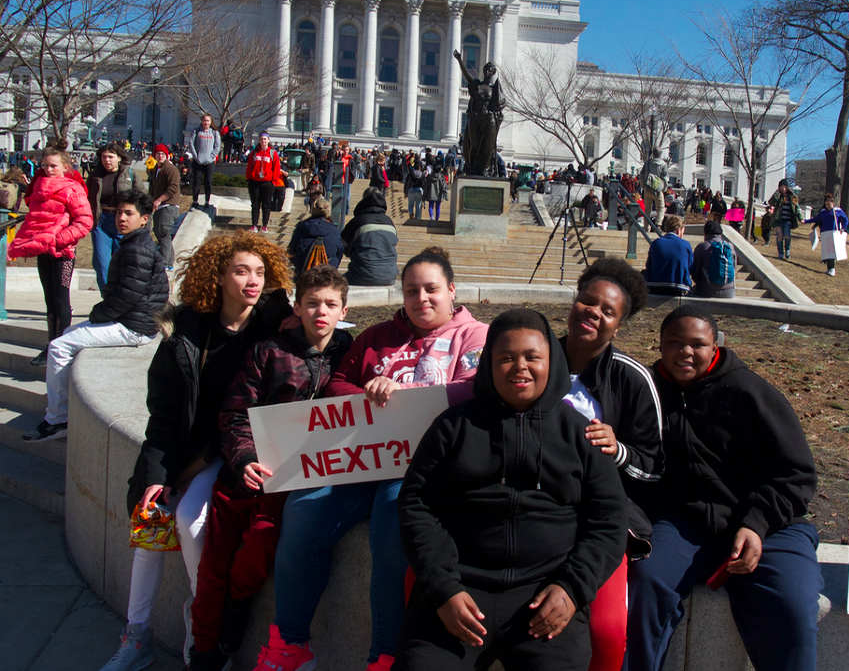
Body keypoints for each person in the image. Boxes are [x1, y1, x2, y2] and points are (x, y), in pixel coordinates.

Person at [254, 248, 489, 671]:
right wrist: (366, 396)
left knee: (391, 529)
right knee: (303, 513)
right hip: (361, 458)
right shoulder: (376, 336)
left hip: (424, 465)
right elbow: (337, 385)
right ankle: (289, 646)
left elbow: (470, 390)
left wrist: (401, 398)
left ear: (451, 291)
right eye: (411, 291)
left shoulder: (474, 336)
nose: (422, 299)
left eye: (431, 289)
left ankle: (385, 654)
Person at [98, 233, 293, 671]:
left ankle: (199, 622)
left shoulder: (274, 325)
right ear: (218, 277)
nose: (253, 281)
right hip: (189, 447)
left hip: (233, 451)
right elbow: (164, 411)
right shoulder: (186, 331)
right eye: (241, 271)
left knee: (191, 521)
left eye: (260, 272)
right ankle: (137, 635)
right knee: (152, 525)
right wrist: (157, 474)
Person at [393, 308, 628, 671]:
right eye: (506, 357)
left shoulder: (581, 434)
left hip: (546, 597)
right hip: (460, 594)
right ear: (488, 364)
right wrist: (443, 589)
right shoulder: (453, 427)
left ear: (552, 362)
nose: (520, 367)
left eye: (533, 357)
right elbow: (417, 506)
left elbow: (608, 520)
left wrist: (572, 589)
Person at [627, 306, 822, 671]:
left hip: (768, 522)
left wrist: (756, 522)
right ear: (660, 344)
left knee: (791, 604)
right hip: (684, 521)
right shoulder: (646, 390)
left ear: (715, 345)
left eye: (697, 344)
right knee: (643, 582)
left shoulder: (749, 391)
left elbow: (797, 472)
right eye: (675, 343)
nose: (686, 352)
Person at [185, 266, 354, 671]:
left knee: (257, 553)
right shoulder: (269, 351)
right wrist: (243, 458)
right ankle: (204, 652)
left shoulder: (346, 351)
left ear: (343, 310)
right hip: (243, 474)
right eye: (312, 303)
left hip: (291, 479)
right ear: (298, 306)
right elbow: (235, 414)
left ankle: (237, 605)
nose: (321, 312)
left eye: (331, 305)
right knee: (213, 567)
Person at [560, 261, 664, 671]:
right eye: (588, 301)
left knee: (605, 631)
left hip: (599, 518)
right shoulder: (534, 355)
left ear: (619, 325)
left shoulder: (633, 378)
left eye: (608, 311)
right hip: (530, 507)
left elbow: (655, 467)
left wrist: (617, 449)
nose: (593, 312)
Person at [23, 190, 168, 443]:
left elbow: (128, 297)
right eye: (118, 212)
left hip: (135, 327)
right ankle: (63, 410)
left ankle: (57, 420)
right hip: (132, 319)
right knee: (67, 335)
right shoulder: (134, 243)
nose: (121, 218)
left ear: (144, 219)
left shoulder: (138, 250)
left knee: (57, 347)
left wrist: (97, 314)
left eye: (128, 213)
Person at [7, 141, 94, 367]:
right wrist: (27, 243)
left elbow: (84, 222)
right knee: (49, 300)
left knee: (60, 298)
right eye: (45, 165)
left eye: (54, 166)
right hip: (42, 250)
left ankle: (60, 346)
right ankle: (51, 344)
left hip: (62, 252)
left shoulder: (73, 188)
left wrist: (57, 240)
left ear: (66, 167)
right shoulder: (39, 187)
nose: (48, 170)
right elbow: (35, 220)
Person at [86, 142, 143, 295]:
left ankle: (123, 297)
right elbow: (86, 198)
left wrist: (142, 221)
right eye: (104, 157)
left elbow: (143, 198)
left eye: (110, 156)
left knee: (125, 261)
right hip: (101, 222)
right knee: (101, 262)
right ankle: (108, 298)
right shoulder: (95, 176)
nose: (107, 160)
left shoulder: (130, 174)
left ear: (119, 157)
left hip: (123, 222)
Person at [454, 51, 506, 177]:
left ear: (493, 72)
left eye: (490, 69)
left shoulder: (495, 89)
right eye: (486, 69)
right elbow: (466, 75)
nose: (488, 71)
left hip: (489, 120)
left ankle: (485, 170)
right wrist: (460, 60)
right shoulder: (476, 84)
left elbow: (501, 104)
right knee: (474, 144)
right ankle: (472, 168)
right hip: (476, 119)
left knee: (488, 147)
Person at [341, 187, 399, 287]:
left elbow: (342, 245)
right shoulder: (389, 222)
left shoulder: (358, 221)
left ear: (363, 201)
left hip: (361, 275)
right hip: (390, 276)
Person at [287, 196, 344, 279]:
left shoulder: (301, 227)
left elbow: (291, 250)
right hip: (328, 274)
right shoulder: (334, 230)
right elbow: (340, 251)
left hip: (303, 272)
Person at [149, 144, 181, 270]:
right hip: (159, 206)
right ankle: (169, 262)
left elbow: (173, 188)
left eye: (163, 154)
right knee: (159, 232)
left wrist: (159, 200)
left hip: (169, 206)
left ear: (167, 156)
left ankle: (164, 263)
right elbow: (153, 188)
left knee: (164, 232)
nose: (160, 156)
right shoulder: (157, 170)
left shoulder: (171, 169)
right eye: (158, 154)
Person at [644, 215, 693, 296]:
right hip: (679, 287)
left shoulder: (656, 243)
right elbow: (690, 268)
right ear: (679, 230)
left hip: (655, 285)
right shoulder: (686, 245)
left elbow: (648, 265)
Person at [804, 193, 848, 276]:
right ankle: (829, 268)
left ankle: (832, 269)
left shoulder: (838, 211)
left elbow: (845, 220)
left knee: (831, 251)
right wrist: (806, 221)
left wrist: (843, 228)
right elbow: (817, 219)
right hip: (824, 233)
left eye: (829, 204)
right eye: (826, 204)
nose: (827, 206)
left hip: (833, 233)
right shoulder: (823, 211)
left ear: (833, 203)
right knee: (826, 250)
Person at [690, 221, 736, 299]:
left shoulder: (702, 247)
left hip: (706, 290)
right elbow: (734, 268)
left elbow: (695, 272)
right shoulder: (730, 246)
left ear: (705, 233)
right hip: (729, 292)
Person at [246, 132, 281, 233]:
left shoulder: (272, 153)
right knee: (255, 204)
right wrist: (248, 178)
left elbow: (276, 168)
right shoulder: (254, 153)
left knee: (266, 204)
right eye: (261, 139)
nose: (263, 141)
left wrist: (274, 181)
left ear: (268, 140)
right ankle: (254, 225)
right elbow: (249, 166)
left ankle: (264, 225)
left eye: (265, 139)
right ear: (259, 141)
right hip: (254, 182)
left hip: (267, 182)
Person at [189, 114, 222, 208]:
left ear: (211, 122)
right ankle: (195, 201)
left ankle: (207, 201)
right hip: (198, 161)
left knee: (208, 181)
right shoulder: (196, 131)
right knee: (197, 181)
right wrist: (195, 156)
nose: (206, 122)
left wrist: (212, 156)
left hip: (210, 162)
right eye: (204, 120)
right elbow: (191, 143)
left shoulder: (214, 133)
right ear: (201, 121)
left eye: (208, 121)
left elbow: (217, 146)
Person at [768, 179, 802, 260]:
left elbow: (796, 208)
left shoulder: (792, 197)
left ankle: (787, 250)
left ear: (787, 187)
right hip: (778, 220)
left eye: (784, 187)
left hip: (788, 220)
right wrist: (777, 192)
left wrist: (800, 218)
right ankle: (780, 253)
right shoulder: (778, 197)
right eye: (781, 187)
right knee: (779, 236)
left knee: (787, 235)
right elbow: (771, 202)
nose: (783, 189)